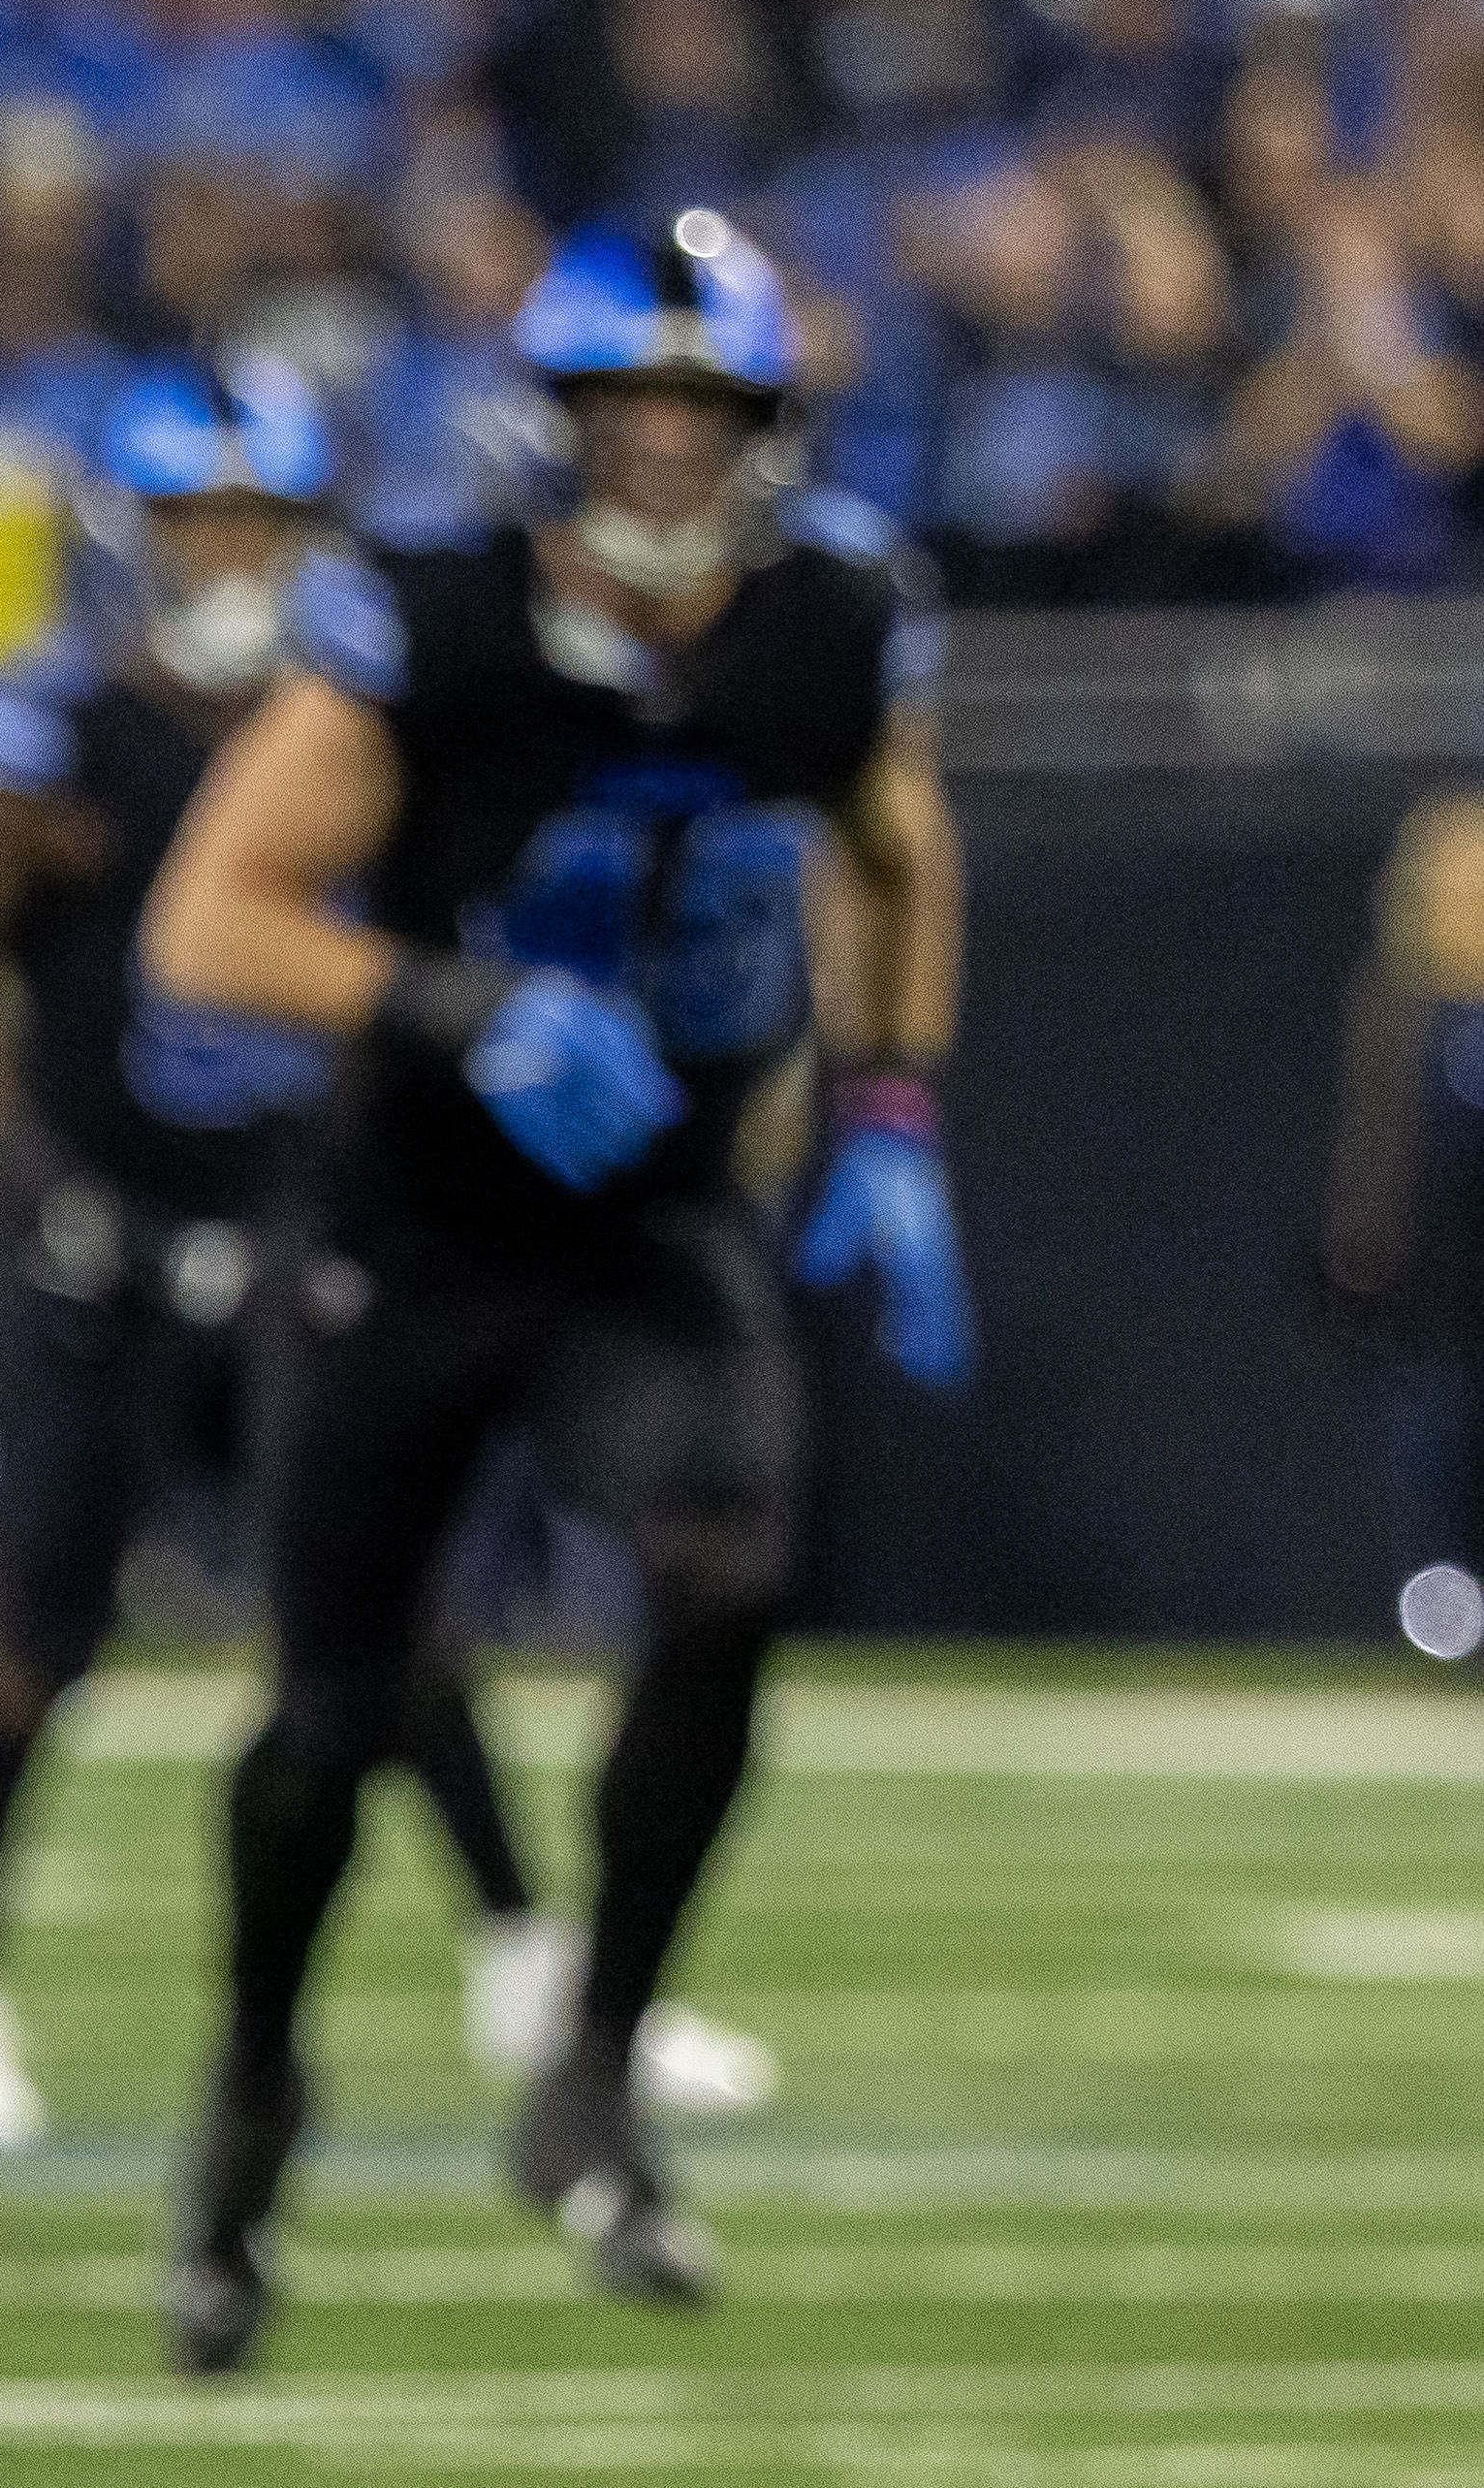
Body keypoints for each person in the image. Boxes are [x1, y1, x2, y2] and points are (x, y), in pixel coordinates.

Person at [139, 210, 969, 2374]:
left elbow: (896, 842)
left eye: (707, 410)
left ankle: (592, 2059)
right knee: (326, 1728)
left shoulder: (827, 621)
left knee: (718, 1573)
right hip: (409, 1221)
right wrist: (447, 1003)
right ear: (557, 416)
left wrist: (884, 1108)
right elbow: (210, 923)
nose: (671, 451)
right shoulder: (427, 621)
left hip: (648, 1215)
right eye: (632, 405)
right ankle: (249, 2090)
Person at [0, 354, 778, 2149]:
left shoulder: (369, 712)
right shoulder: (48, 732)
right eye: (201, 522)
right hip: (103, 1243)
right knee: (32, 1647)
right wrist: (11, 1163)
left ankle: (537, 1970)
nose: (230, 557)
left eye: (263, 523)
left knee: (394, 1626)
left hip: (303, 1233)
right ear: (130, 537)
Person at [1325, 788, 1484, 1657]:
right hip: (1442, 1268)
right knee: (1441, 1398)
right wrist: (1364, 1213)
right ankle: (1444, 1600)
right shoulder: (1401, 999)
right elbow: (1378, 1111)